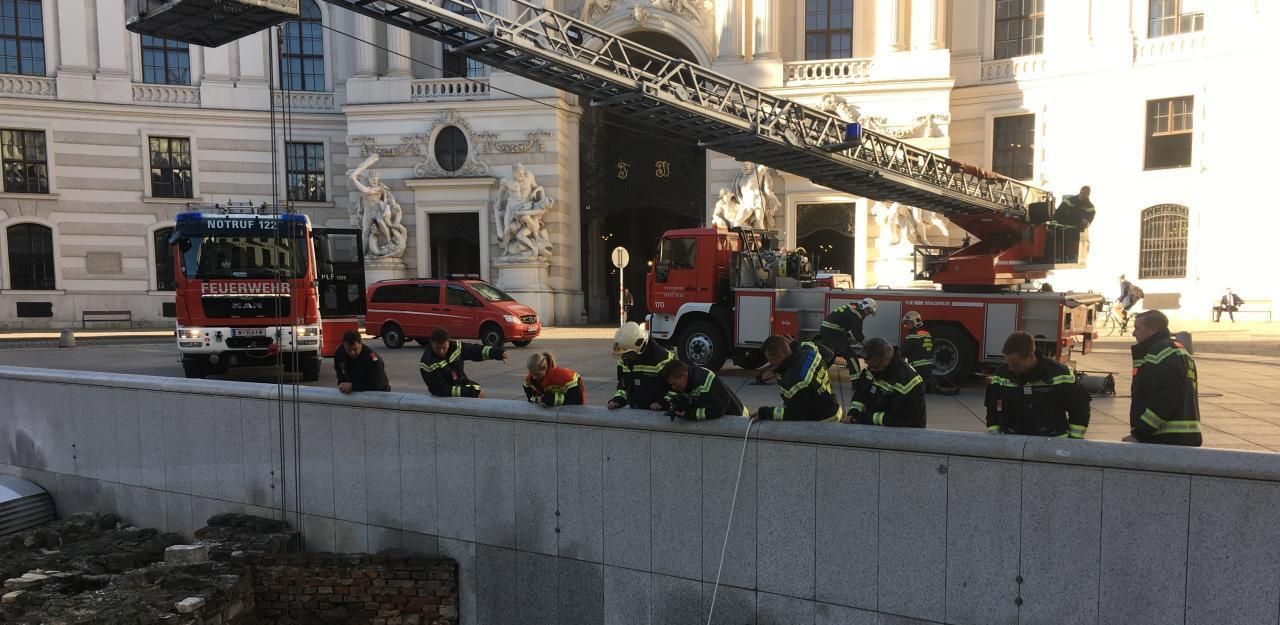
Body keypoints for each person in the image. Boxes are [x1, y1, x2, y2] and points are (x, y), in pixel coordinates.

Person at [985, 331, 1091, 438]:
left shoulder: (1059, 374)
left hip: (1052, 444)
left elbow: (1079, 408)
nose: (1011, 368)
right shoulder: (1001, 375)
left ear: (1031, 356)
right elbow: (992, 409)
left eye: (1016, 364)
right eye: (1008, 363)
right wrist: (996, 440)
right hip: (1013, 444)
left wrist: (1073, 441)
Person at [1125, 311, 1202, 446]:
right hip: (1181, 436)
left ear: (1152, 330)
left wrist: (1140, 434)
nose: (1134, 333)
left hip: (1166, 438)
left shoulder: (1160, 353)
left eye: (1138, 328)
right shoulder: (1176, 349)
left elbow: (1165, 399)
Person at [753, 336, 842, 422]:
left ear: (780, 356)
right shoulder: (809, 352)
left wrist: (766, 413)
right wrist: (794, 345)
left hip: (823, 420)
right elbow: (810, 346)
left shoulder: (793, 382)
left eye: (771, 359)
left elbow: (796, 414)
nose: (770, 363)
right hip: (833, 406)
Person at [846, 338, 926, 427]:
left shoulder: (907, 380)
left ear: (886, 359)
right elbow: (860, 395)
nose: (871, 370)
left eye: (875, 366)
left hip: (903, 435)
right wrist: (853, 413)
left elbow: (901, 419)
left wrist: (864, 418)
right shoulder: (873, 369)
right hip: (875, 428)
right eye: (869, 366)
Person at [418, 327, 507, 398]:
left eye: (444, 348)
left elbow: (474, 350)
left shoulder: (456, 347)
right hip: (446, 398)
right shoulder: (428, 363)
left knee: (478, 391)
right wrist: (470, 392)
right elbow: (442, 390)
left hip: (461, 386)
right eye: (438, 348)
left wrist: (497, 353)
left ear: (449, 342)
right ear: (431, 343)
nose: (441, 351)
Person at [607, 321, 675, 411]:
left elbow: (677, 388)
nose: (624, 357)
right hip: (636, 412)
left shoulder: (663, 359)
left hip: (660, 415)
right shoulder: (624, 361)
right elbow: (623, 386)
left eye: (628, 353)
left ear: (639, 348)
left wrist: (663, 403)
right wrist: (618, 400)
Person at [659, 359, 749, 421]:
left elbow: (718, 409)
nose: (673, 388)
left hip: (738, 418)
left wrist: (690, 414)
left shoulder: (704, 381)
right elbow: (675, 396)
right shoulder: (682, 380)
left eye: (675, 384)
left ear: (684, 376)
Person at [818, 297, 877, 372]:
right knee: (851, 357)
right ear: (866, 307)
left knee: (833, 354)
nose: (868, 314)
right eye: (870, 312)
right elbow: (858, 335)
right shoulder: (857, 314)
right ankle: (857, 380)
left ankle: (821, 371)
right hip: (832, 332)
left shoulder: (853, 307)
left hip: (828, 330)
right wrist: (869, 346)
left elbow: (841, 324)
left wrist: (848, 337)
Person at [1052, 185, 1095, 263]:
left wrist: (1086, 222)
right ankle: (1051, 256)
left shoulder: (1090, 207)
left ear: (1088, 194)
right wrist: (1053, 225)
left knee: (1068, 233)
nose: (1082, 195)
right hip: (1061, 226)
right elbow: (1058, 214)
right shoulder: (1069, 201)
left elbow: (1089, 220)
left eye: (1085, 194)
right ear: (1080, 191)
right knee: (1051, 234)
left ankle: (1066, 257)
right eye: (1081, 193)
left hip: (1076, 230)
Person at [900, 311, 935, 393]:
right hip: (929, 370)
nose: (907, 325)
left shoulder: (912, 336)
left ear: (915, 322)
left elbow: (902, 353)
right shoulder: (927, 334)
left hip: (917, 369)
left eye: (909, 323)